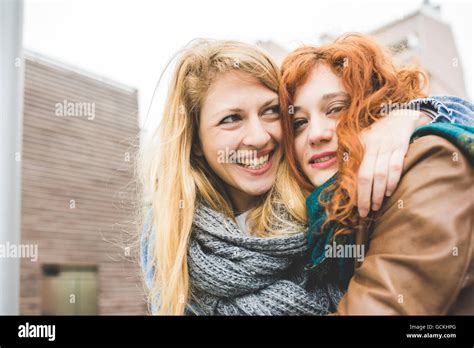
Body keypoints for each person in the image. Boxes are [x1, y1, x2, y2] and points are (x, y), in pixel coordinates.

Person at [279, 33, 473, 314]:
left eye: (335, 109)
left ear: (377, 105)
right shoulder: (321, 215)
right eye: (299, 122)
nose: (316, 135)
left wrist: (418, 114)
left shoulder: (428, 163)